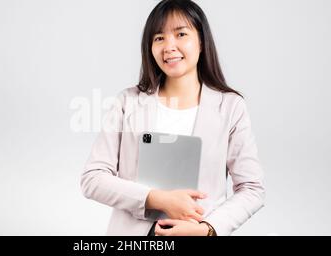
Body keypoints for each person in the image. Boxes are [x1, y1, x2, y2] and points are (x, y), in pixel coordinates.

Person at [80, 0, 265, 236]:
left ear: (201, 41)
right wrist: (156, 198)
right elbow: (92, 178)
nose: (169, 46)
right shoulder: (127, 102)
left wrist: (207, 230)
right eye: (159, 38)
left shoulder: (230, 107)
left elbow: (252, 188)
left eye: (180, 34)